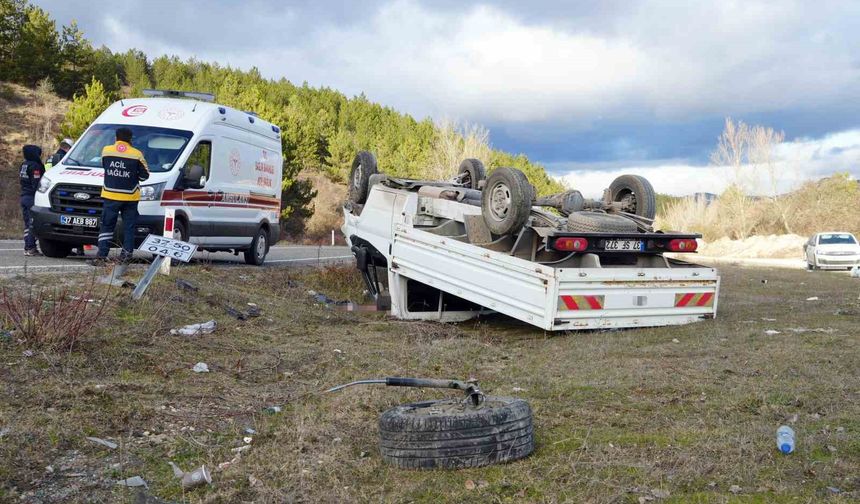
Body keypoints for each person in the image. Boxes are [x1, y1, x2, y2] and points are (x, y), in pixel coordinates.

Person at [90, 128, 149, 265]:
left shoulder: (107, 150)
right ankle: (126, 256)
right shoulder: (136, 154)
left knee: (107, 226)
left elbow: (105, 167)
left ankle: (101, 257)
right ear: (131, 139)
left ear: (116, 138)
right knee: (129, 227)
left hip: (110, 195)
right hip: (130, 197)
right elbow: (145, 175)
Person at [19, 144, 44, 256]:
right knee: (32, 223)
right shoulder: (35, 166)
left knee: (26, 224)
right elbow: (36, 184)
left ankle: (27, 246)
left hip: (23, 196)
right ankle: (30, 247)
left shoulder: (23, 165)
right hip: (31, 198)